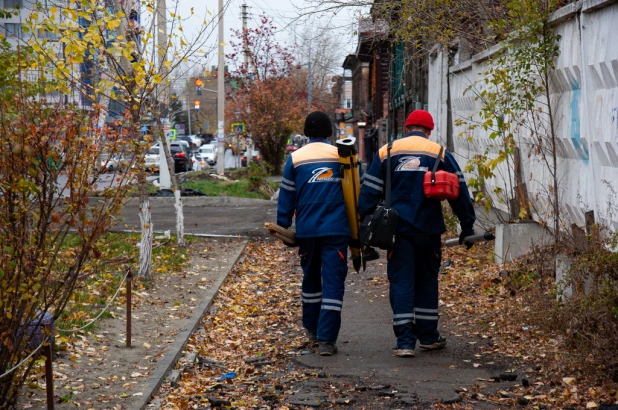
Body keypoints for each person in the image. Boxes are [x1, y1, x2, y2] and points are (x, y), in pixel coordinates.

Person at [358, 109, 476, 357]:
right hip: (429, 229)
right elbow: (459, 190)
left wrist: (363, 220)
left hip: (396, 230)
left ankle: (404, 343)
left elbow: (369, 191)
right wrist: (467, 225)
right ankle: (428, 337)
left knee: (401, 282)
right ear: (429, 130)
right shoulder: (439, 153)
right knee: (426, 281)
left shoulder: (387, 151)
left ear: (407, 128)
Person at [277, 111, 350, 356]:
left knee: (311, 280)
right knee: (333, 283)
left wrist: (283, 224)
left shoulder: (295, 158)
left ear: (307, 133)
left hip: (308, 231)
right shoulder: (342, 156)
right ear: (329, 132)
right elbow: (355, 192)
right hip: (337, 230)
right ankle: (327, 340)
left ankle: (311, 328)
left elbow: (287, 194)